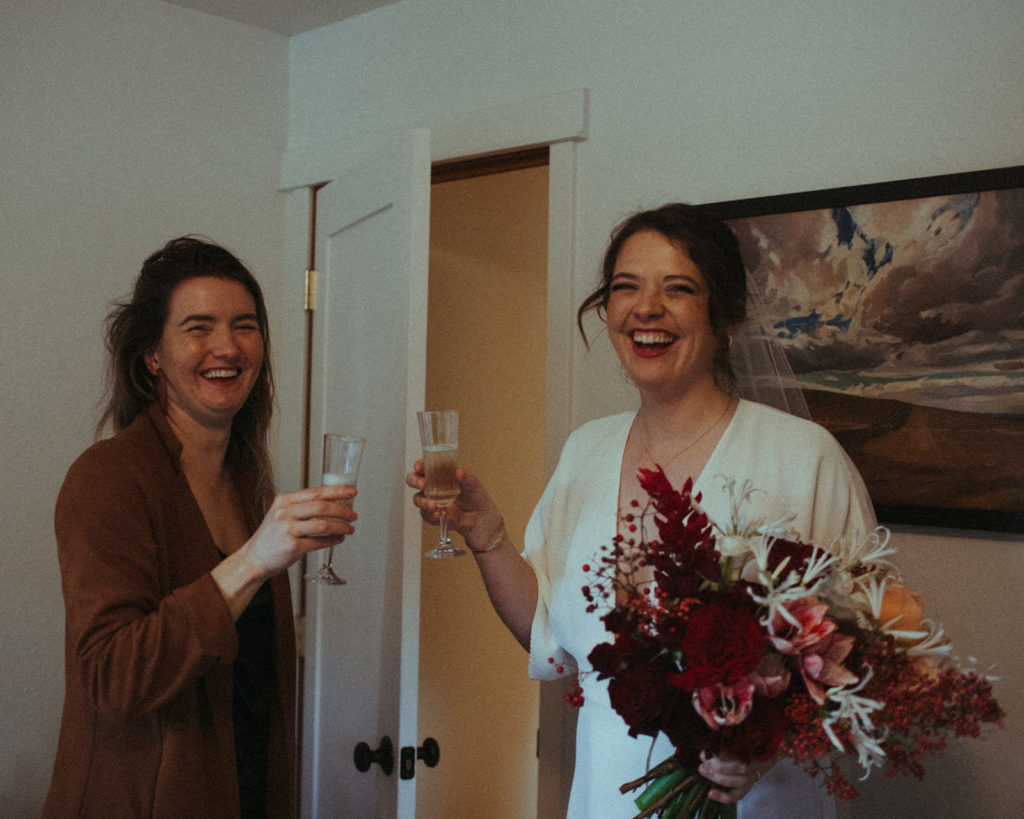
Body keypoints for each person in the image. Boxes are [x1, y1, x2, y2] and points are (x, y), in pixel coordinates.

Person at [407, 204, 876, 817]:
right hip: (607, 790)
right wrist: (487, 534)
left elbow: (865, 659)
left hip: (759, 796)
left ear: (726, 316)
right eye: (626, 287)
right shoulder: (587, 451)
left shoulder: (802, 457)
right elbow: (551, 638)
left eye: (677, 289)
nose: (645, 308)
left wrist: (757, 752)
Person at [44, 237, 356, 818]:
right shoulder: (107, 478)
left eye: (245, 325)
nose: (227, 346)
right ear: (152, 355)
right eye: (198, 327)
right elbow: (112, 678)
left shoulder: (245, 481)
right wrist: (253, 561)